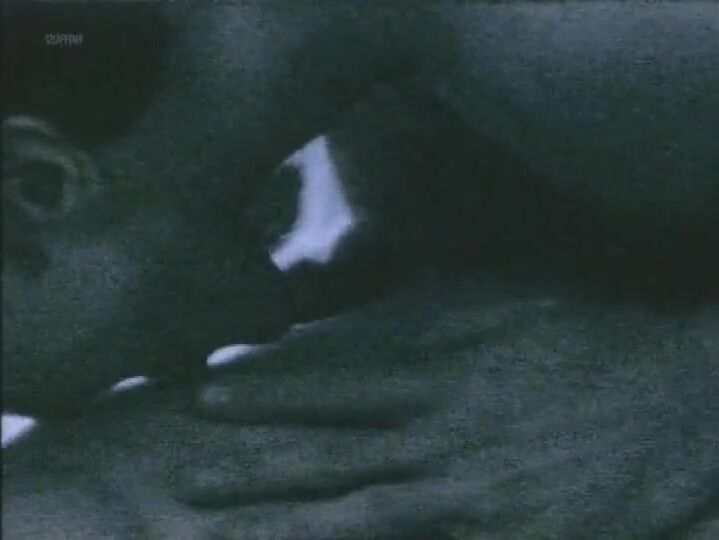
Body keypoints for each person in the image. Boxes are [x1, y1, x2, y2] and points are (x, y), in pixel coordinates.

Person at [3, 1, 718, 537]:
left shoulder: (601, 39)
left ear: (39, 184)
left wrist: (685, 392)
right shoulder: (324, 60)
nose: (45, 406)